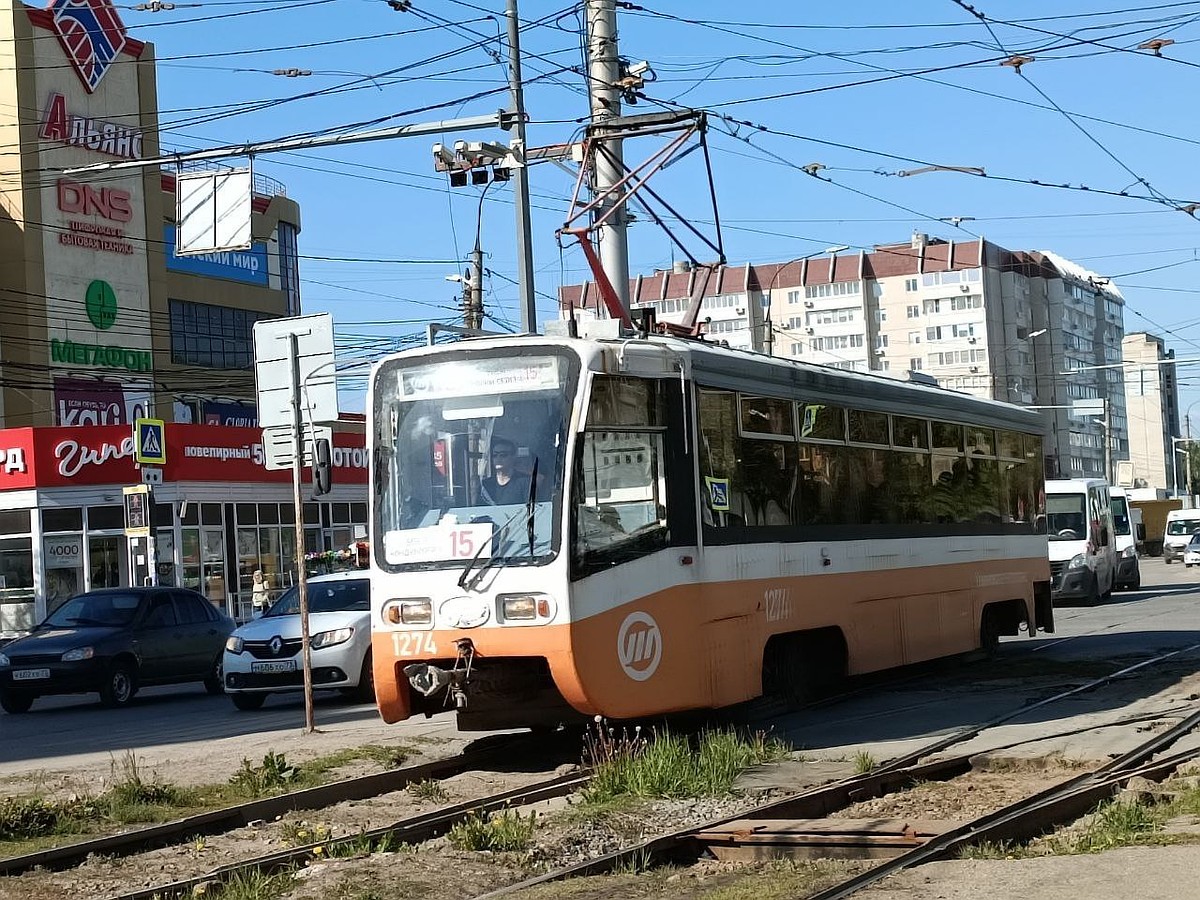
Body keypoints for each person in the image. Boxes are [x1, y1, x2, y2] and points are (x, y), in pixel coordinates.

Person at [481, 437, 534, 505]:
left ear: (513, 457)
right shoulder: (485, 485)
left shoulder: (525, 482)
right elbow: (478, 511)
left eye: (503, 455)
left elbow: (531, 509)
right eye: (495, 455)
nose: (498, 458)